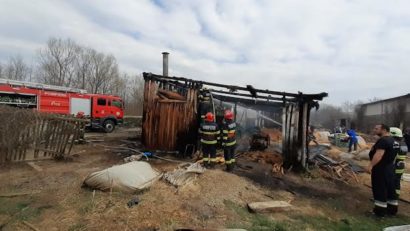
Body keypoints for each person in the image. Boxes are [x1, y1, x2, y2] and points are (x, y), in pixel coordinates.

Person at [367, 124, 398, 217]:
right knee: (390, 189)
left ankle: (379, 213)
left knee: (380, 189)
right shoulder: (394, 141)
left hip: (381, 169)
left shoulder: (383, 141)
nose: (374, 130)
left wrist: (370, 165)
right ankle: (392, 210)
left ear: (384, 130)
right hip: (390, 168)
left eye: (376, 129)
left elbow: (379, 155)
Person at [390, 127, 406, 197]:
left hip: (394, 166)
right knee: (397, 181)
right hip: (401, 166)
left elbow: (392, 156)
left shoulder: (395, 143)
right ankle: (396, 196)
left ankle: (389, 197)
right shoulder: (403, 143)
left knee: (390, 181)